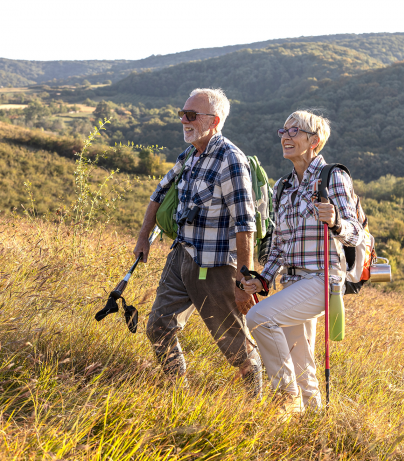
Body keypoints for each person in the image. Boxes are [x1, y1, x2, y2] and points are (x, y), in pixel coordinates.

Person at [133, 88, 262, 396]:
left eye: (191, 115)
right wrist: (143, 237)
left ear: (214, 120)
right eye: (182, 114)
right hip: (182, 256)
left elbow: (245, 224)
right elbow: (159, 193)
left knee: (233, 344)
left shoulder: (230, 160)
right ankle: (176, 393)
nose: (184, 121)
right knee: (158, 327)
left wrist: (243, 280)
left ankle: (255, 404)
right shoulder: (191, 153)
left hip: (215, 266)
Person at [241, 110, 364, 418]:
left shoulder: (332, 176)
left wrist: (336, 222)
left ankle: (285, 395)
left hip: (325, 279)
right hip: (293, 283)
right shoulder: (282, 187)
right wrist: (264, 279)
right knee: (300, 358)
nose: (286, 136)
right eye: (283, 131)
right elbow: (280, 245)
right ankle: (312, 423)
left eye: (294, 131)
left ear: (315, 141)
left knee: (259, 317)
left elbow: (356, 234)